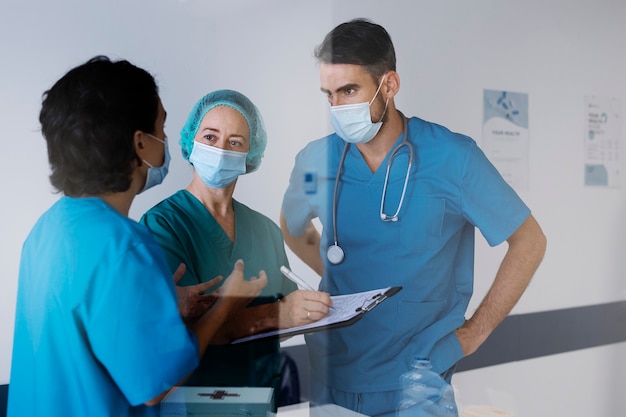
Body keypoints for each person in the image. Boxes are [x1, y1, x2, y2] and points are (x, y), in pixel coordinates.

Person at [280, 19, 547, 417]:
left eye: (349, 90)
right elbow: (292, 224)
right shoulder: (316, 159)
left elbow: (529, 241)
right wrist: (341, 283)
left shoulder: (453, 158)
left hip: (417, 382)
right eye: (329, 95)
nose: (337, 107)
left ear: (389, 84)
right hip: (332, 373)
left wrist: (474, 333)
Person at [7, 56, 267, 417]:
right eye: (162, 127)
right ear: (141, 144)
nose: (166, 140)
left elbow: (85, 323)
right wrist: (226, 306)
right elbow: (157, 387)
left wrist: (161, 301)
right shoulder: (126, 246)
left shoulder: (45, 231)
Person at [140, 89, 332, 404]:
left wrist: (311, 312)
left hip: (259, 402)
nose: (220, 149)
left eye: (234, 143)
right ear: (192, 142)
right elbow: (187, 327)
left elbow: (282, 323)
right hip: (195, 405)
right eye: (211, 137)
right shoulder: (163, 226)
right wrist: (277, 313)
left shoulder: (265, 230)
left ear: (249, 155)